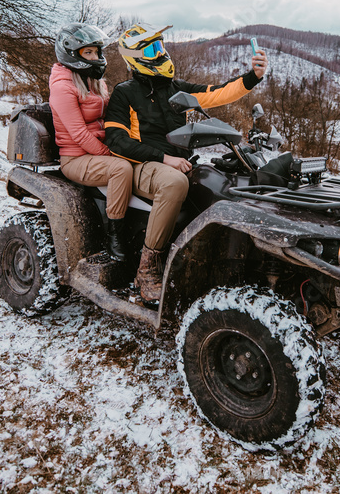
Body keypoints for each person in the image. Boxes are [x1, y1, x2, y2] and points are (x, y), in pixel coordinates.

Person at [105, 23, 269, 302]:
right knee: (174, 183)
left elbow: (217, 93)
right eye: (152, 49)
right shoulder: (125, 92)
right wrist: (165, 158)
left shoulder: (176, 88)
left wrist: (253, 76)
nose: (161, 53)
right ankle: (147, 268)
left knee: (219, 183)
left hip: (176, 162)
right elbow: (116, 141)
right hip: (140, 165)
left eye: (161, 46)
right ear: (135, 57)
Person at [49, 23, 133, 261]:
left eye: (97, 51)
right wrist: (111, 154)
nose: (96, 57)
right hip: (75, 157)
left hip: (97, 151)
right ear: (71, 54)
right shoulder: (62, 88)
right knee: (121, 168)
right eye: (89, 52)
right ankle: (115, 235)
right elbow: (79, 134)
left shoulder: (95, 82)